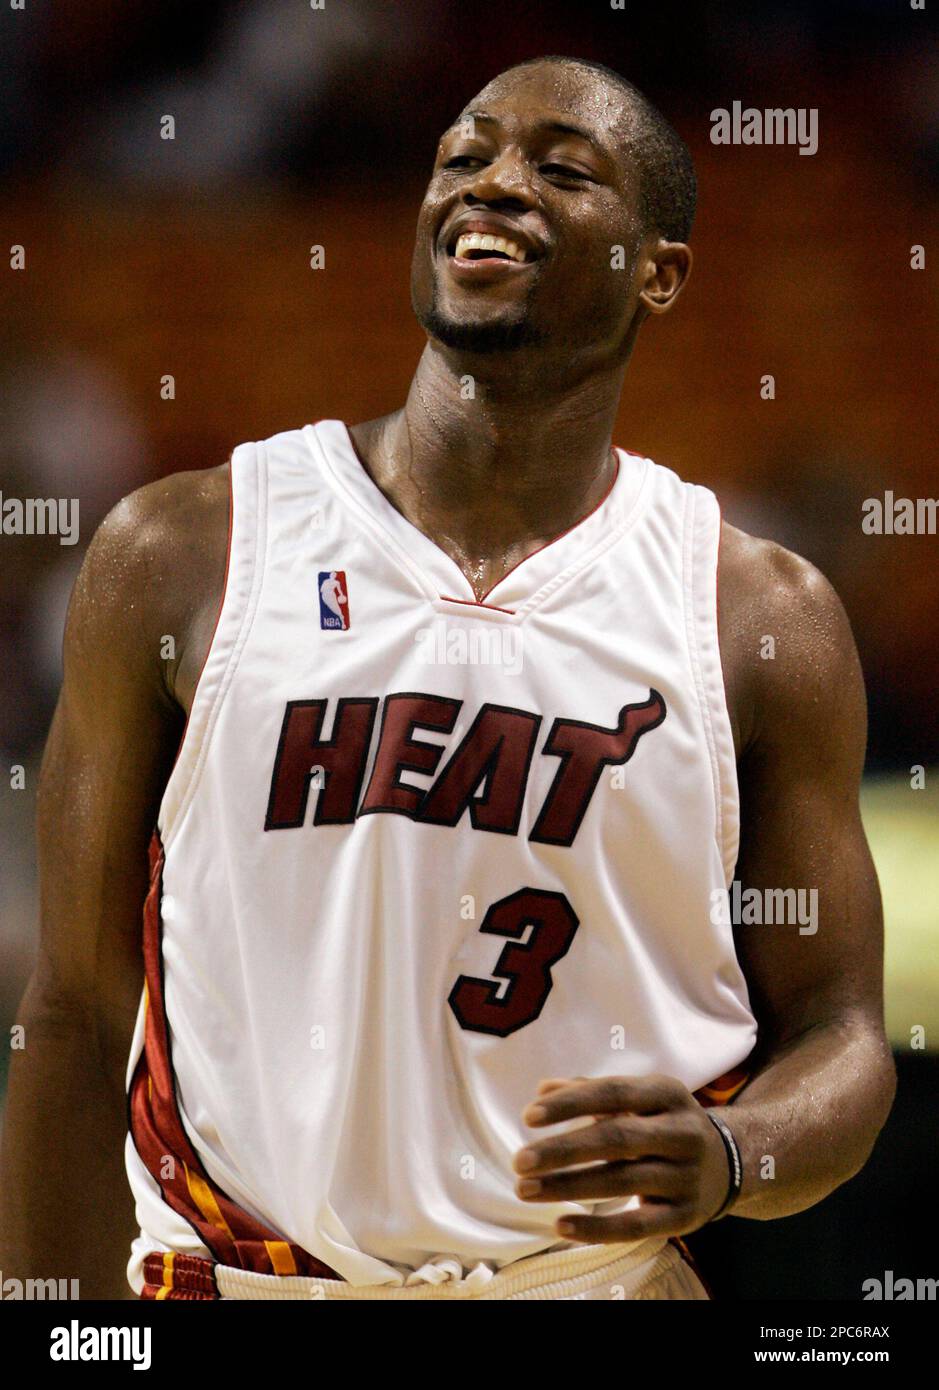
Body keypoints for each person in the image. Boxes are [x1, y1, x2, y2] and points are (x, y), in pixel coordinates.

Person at [0, 55, 895, 1301]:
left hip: (590, 1284)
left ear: (661, 271)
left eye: (562, 169)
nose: (496, 184)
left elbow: (844, 1040)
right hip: (241, 1281)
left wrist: (737, 1154)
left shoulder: (759, 617)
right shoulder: (183, 552)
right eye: (464, 158)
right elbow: (77, 1011)